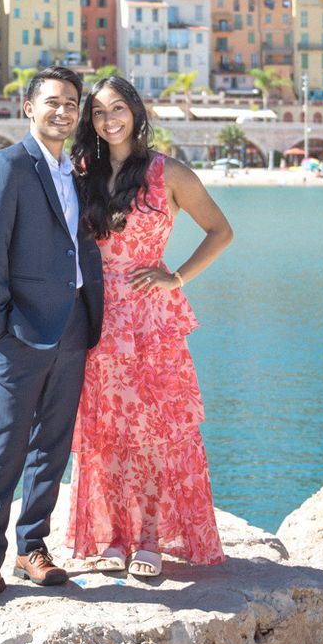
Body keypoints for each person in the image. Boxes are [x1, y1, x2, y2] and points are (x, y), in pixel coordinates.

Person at [65, 75, 234, 578]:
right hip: (97, 317)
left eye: (118, 108)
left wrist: (176, 276)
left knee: (157, 432)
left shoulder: (170, 173)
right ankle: (116, 535)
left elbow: (221, 231)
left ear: (136, 112)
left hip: (151, 320)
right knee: (107, 431)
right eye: (98, 112)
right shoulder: (83, 171)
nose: (109, 119)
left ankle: (153, 537)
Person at [0, 66, 104, 605]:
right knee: (7, 444)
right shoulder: (5, 168)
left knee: (53, 444)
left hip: (73, 324)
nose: (63, 111)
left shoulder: (79, 174)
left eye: (72, 102)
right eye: (52, 101)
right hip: (17, 332)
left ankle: (33, 545)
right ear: (29, 108)